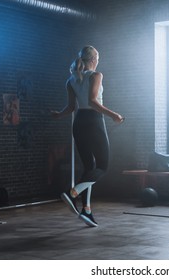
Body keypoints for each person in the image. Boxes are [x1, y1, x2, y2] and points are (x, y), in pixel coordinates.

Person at [51, 45, 124, 227]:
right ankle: (72, 193)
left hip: (79, 122)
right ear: (93, 60)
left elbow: (70, 108)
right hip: (93, 121)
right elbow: (92, 101)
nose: (98, 62)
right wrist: (114, 115)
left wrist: (59, 115)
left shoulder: (71, 79)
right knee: (103, 166)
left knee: (89, 167)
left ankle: (87, 210)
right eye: (98, 59)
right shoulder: (96, 75)